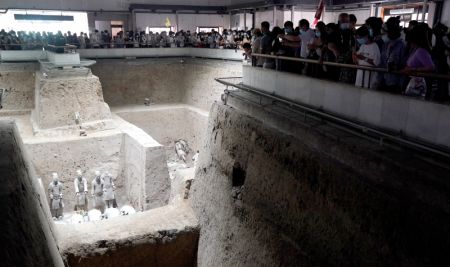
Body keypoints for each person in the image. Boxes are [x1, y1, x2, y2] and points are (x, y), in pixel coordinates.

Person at [403, 23, 435, 96]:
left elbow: (431, 67)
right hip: (412, 83)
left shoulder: (421, 51)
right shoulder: (416, 49)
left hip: (416, 85)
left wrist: (413, 69)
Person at [377, 17, 406, 93]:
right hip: (384, 80)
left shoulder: (401, 45)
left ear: (390, 32)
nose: (382, 35)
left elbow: (404, 63)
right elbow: (382, 62)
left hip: (395, 82)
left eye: (384, 33)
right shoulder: (386, 45)